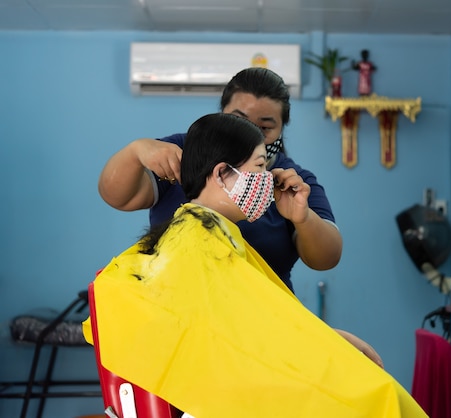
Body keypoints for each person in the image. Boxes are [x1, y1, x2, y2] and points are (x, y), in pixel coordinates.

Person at [85, 113, 425, 418]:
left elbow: (251, 325)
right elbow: (238, 337)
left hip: (235, 379)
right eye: (260, 167)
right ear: (221, 174)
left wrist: (331, 338)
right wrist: (327, 344)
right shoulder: (198, 237)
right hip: (226, 390)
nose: (267, 179)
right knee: (379, 399)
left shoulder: (208, 232)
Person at [98, 67, 341, 293]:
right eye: (241, 120)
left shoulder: (293, 183)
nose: (252, 133)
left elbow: (327, 257)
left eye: (265, 128)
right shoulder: (183, 151)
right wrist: (135, 153)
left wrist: (304, 218)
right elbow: (117, 196)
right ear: (219, 173)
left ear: (281, 130)